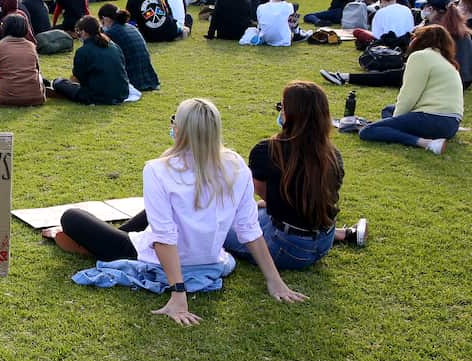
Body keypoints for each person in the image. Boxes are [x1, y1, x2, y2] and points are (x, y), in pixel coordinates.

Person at [46, 98, 307, 325]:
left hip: (159, 258)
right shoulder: (235, 164)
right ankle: (113, 236)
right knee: (156, 211)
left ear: (180, 130)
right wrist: (274, 280)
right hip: (209, 258)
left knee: (72, 217)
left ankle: (94, 244)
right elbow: (249, 229)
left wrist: (178, 295)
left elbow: (164, 238)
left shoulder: (158, 170)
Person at [221, 82, 367, 270]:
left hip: (286, 246)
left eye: (281, 106)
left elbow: (263, 194)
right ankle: (342, 234)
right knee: (253, 212)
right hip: (324, 240)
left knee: (217, 225)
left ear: (289, 114)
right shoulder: (332, 153)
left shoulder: (266, 150)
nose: (280, 111)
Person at [357, 26, 464, 154]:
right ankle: (397, 130)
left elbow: (409, 96)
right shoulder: (447, 61)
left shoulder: (421, 56)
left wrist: (393, 121)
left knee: (367, 131)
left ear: (421, 40)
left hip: (433, 118)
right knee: (388, 109)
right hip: (451, 124)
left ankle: (426, 143)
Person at [50, 16, 130, 105]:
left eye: (78, 31)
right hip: (122, 92)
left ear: (84, 32)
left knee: (58, 83)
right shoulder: (113, 46)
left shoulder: (83, 51)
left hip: (98, 96)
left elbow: (77, 79)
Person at [0, 15, 44, 106]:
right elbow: (37, 72)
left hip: (5, 97)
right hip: (36, 98)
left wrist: (0, 81)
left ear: (4, 28)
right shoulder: (31, 46)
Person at [97, 4, 159, 91]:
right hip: (148, 78)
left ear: (105, 18)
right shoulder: (131, 27)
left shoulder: (111, 33)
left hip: (132, 79)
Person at [350, 0, 414, 49]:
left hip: (387, 42)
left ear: (382, 1)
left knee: (357, 31)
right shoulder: (406, 9)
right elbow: (411, 28)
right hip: (406, 41)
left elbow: (377, 35)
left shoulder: (380, 12)